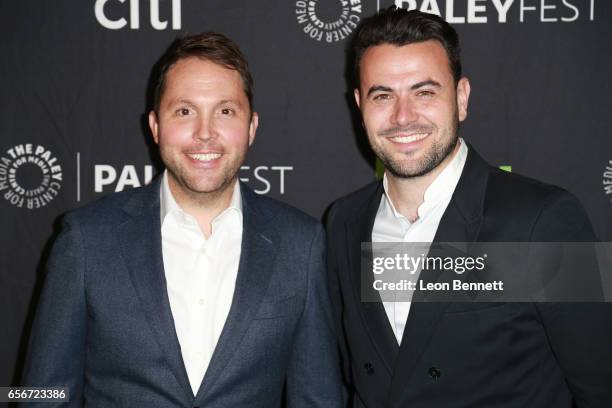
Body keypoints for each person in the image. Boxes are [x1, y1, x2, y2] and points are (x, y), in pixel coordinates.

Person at [22, 32, 342, 407]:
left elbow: (318, 398)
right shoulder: (85, 240)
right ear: (156, 126)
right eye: (185, 111)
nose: (204, 134)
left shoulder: (300, 244)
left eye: (225, 111)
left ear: (251, 127)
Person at [326, 7, 612, 408]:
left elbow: (603, 385)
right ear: (360, 105)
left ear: (461, 98)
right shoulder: (344, 222)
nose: (403, 116)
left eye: (424, 92)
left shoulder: (544, 219)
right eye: (383, 95)